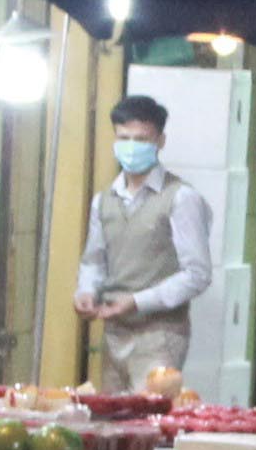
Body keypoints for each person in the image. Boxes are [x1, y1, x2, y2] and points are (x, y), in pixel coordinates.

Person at [77, 93, 212, 390]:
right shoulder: (104, 201)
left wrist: (137, 302)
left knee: (150, 422)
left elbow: (198, 274)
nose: (132, 147)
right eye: (124, 138)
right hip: (113, 333)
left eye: (141, 139)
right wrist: (86, 291)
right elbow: (94, 260)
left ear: (160, 141)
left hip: (160, 335)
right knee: (112, 423)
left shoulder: (181, 197)